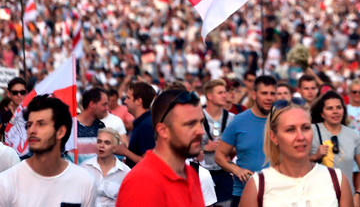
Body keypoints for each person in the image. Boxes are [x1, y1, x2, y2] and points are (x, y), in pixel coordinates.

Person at [0, 95, 98, 207]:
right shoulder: (5, 182)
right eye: (29, 125)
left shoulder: (84, 181)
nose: (32, 130)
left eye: (41, 124)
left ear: (60, 132)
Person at [238, 98, 352, 207]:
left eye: (305, 128)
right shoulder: (258, 185)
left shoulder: (337, 180)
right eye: (290, 130)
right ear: (274, 137)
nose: (300, 137)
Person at [116, 90, 205, 207]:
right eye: (190, 124)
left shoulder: (190, 174)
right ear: (163, 130)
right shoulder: (142, 182)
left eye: (201, 122)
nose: (201, 131)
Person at [216, 75, 277, 207]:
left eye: (272, 93)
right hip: (245, 193)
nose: (269, 97)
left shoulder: (281, 120)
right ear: (254, 95)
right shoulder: (239, 121)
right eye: (264, 93)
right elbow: (219, 155)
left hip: (276, 194)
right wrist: (237, 170)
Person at [310, 90, 360, 207]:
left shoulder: (353, 135)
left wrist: (359, 194)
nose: (335, 112)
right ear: (322, 113)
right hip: (317, 199)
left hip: (346, 199)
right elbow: (295, 162)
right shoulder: (311, 131)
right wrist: (315, 157)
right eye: (329, 108)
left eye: (339, 107)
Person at [201, 79, 236, 207]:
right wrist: (205, 148)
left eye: (225, 92)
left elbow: (239, 147)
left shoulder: (232, 119)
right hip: (202, 172)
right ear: (209, 96)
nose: (224, 95)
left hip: (224, 172)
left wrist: (227, 148)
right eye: (220, 92)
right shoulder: (196, 116)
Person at [82, 128, 130, 207]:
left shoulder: (125, 172)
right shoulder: (85, 167)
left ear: (115, 147)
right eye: (99, 141)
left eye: (107, 143)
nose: (101, 146)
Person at [117, 81, 156, 167]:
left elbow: (148, 162)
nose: (125, 101)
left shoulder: (146, 126)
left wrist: (125, 152)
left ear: (138, 101)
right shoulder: (142, 122)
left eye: (128, 98)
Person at [77, 88, 108, 164]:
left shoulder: (101, 126)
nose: (107, 108)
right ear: (92, 104)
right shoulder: (70, 127)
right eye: (104, 104)